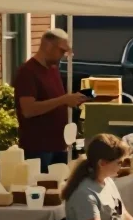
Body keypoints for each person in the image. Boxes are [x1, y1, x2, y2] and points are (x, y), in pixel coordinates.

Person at [15, 29, 88, 172]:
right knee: (42, 183)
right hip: (38, 147)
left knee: (59, 183)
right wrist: (63, 100)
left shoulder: (53, 69)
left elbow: (55, 100)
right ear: (48, 46)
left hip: (59, 145)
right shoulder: (27, 71)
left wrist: (72, 99)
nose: (63, 56)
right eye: (62, 51)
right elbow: (28, 110)